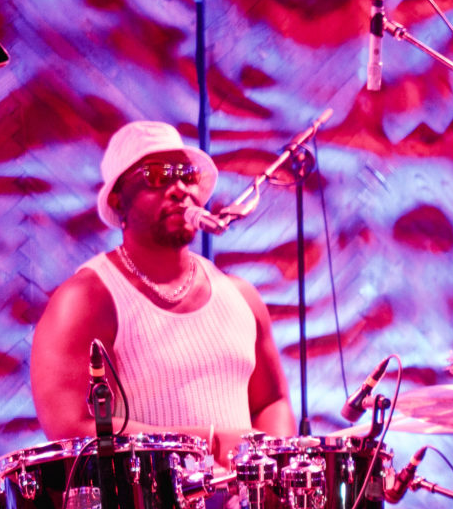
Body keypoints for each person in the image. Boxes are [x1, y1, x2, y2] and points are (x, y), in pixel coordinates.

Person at [31, 120, 294, 458]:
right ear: (118, 200)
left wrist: (273, 464)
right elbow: (70, 427)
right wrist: (210, 444)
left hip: (247, 492)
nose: (179, 188)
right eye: (157, 175)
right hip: (148, 494)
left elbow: (271, 401)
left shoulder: (242, 296)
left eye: (187, 174)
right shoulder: (86, 299)